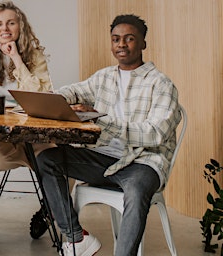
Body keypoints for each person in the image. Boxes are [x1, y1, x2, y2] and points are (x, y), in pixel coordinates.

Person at [36, 14, 182, 256]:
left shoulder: (162, 85)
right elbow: (75, 91)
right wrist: (54, 100)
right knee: (47, 159)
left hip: (143, 162)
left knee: (135, 191)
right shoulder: (104, 77)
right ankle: (76, 239)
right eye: (116, 39)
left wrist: (101, 120)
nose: (121, 45)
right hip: (102, 159)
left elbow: (155, 134)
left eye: (129, 39)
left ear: (143, 43)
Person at [0, 0, 54, 173]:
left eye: (11, 23)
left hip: (31, 131)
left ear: (20, 27)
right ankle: (36, 160)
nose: (4, 28)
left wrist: (16, 58)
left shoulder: (35, 56)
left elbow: (42, 96)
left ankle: (36, 160)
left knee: (59, 158)